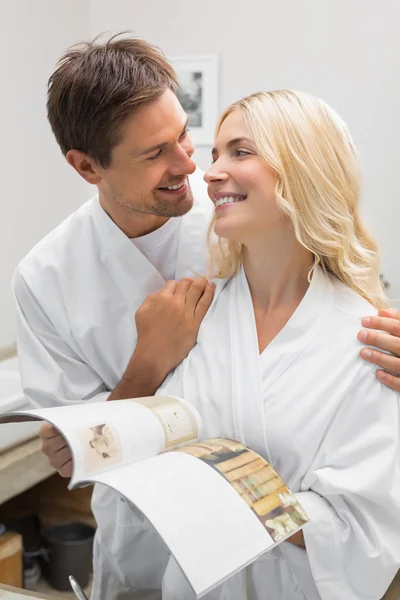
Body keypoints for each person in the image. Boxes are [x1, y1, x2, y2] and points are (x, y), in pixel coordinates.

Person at [12, 35, 400, 599]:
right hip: (149, 548)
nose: (195, 168)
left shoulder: (230, 207)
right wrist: (147, 364)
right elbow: (77, 452)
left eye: (185, 136)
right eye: (154, 154)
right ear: (86, 166)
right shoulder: (47, 278)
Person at [153, 90, 400, 599]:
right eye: (215, 153)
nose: (212, 171)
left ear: (304, 169)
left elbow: (367, 530)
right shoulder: (197, 313)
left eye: (240, 152)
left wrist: (244, 499)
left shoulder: (367, 340)